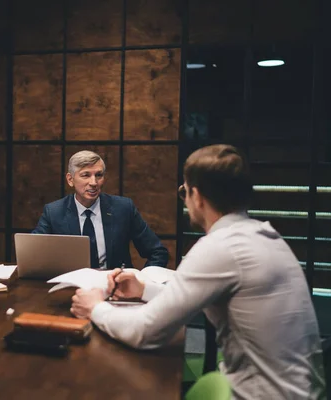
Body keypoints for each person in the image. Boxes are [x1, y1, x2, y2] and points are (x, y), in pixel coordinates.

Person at [70, 145, 325, 399]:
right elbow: (191, 299)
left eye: (184, 192)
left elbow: (146, 332)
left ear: (198, 196)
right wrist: (145, 289)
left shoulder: (220, 247)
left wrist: (95, 307)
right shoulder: (265, 237)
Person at [32, 150, 168, 269]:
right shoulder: (54, 212)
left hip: (114, 288)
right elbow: (33, 254)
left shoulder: (123, 208)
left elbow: (158, 252)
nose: (93, 183)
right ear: (70, 179)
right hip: (71, 288)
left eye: (98, 175)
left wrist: (142, 282)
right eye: (85, 175)